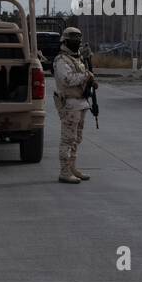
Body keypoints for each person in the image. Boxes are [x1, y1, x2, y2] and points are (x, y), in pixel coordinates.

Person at [53, 26, 93, 183]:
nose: (76, 42)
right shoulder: (61, 60)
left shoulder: (78, 59)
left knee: (76, 139)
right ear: (65, 40)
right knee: (67, 139)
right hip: (69, 104)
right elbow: (67, 79)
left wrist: (89, 80)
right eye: (73, 39)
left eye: (78, 39)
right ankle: (64, 171)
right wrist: (86, 76)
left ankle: (72, 168)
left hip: (81, 103)